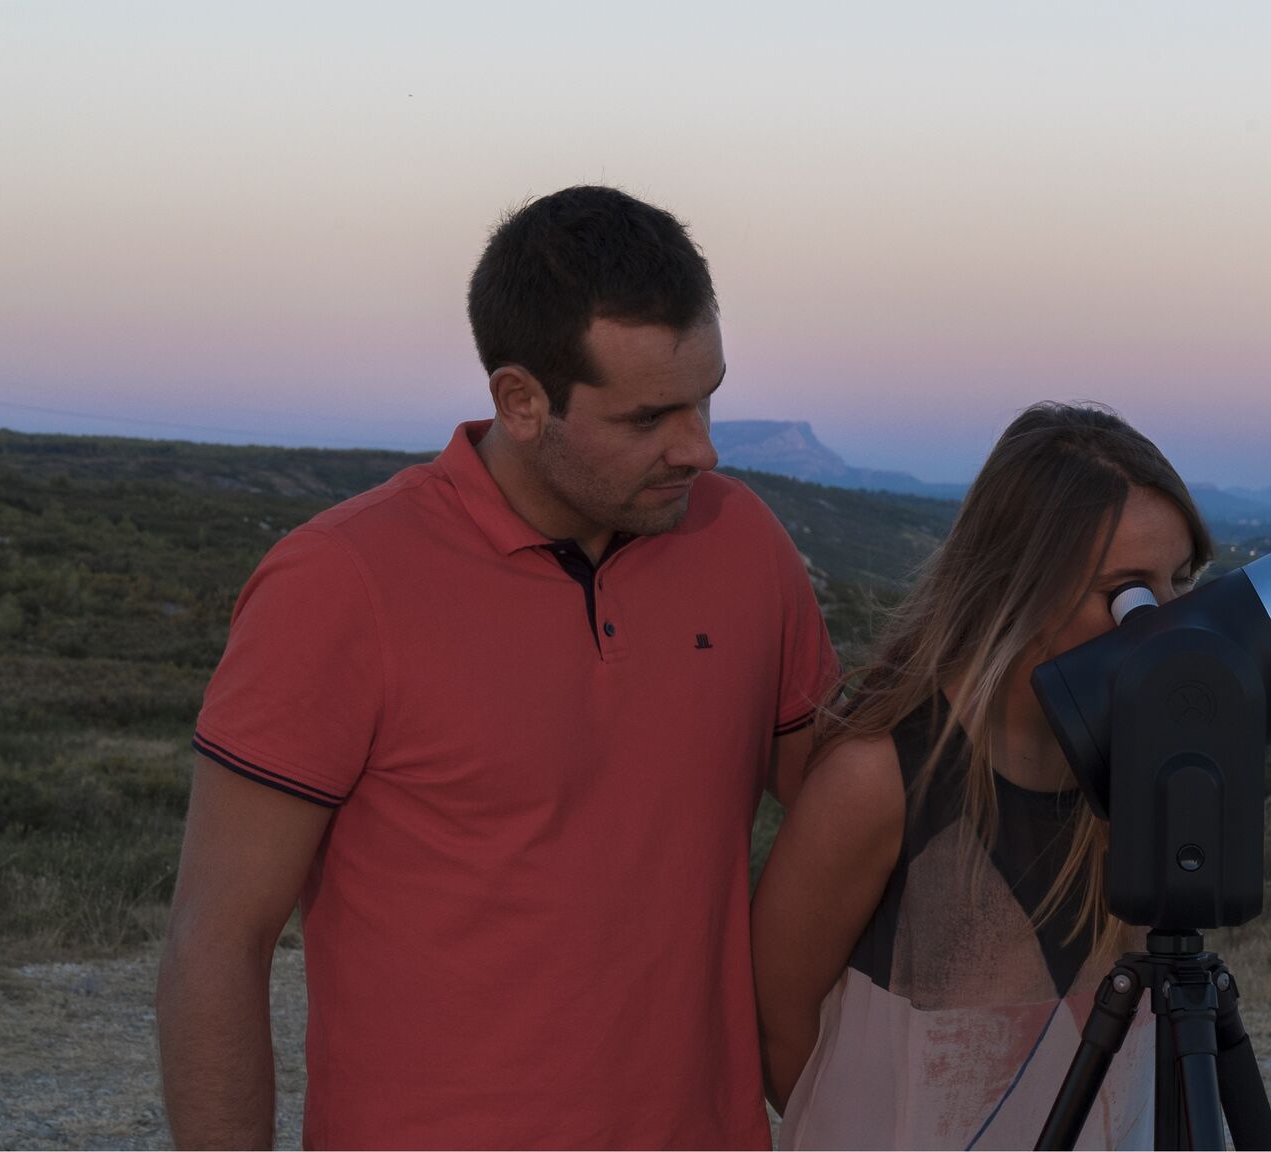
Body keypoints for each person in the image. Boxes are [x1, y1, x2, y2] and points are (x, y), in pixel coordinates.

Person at [157, 185, 838, 1149]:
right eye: (650, 418)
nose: (701, 448)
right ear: (520, 401)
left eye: (707, 397)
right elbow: (216, 943)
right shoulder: (339, 583)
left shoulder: (744, 544)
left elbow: (855, 817)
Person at [753, 403, 1214, 1149]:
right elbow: (781, 1026)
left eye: (1180, 583)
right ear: (1022, 584)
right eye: (1127, 593)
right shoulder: (880, 777)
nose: (1160, 623)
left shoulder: (1141, 765)